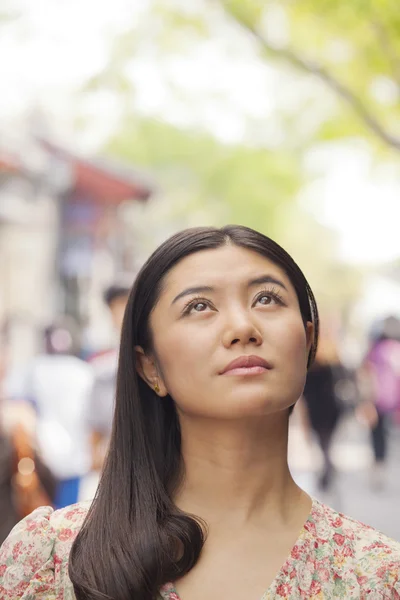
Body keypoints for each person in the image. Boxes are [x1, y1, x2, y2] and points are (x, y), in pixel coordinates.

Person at [1, 225, 399, 600]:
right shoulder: (52, 558)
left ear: (307, 339)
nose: (243, 327)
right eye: (199, 306)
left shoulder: (377, 576)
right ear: (149, 367)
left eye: (266, 298)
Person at [4, 323, 93, 509]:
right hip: (65, 457)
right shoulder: (83, 371)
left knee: (44, 517)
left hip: (45, 456)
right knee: (68, 517)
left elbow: (15, 402)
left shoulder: (34, 369)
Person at [86, 284, 130, 471]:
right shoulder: (104, 371)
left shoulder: (167, 361)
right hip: (120, 468)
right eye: (116, 309)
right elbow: (95, 434)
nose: (122, 315)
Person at [358, 316, 400, 489]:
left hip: (376, 400)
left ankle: (378, 468)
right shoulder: (397, 350)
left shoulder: (374, 350)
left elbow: (366, 374)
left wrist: (366, 400)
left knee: (377, 437)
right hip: (395, 402)